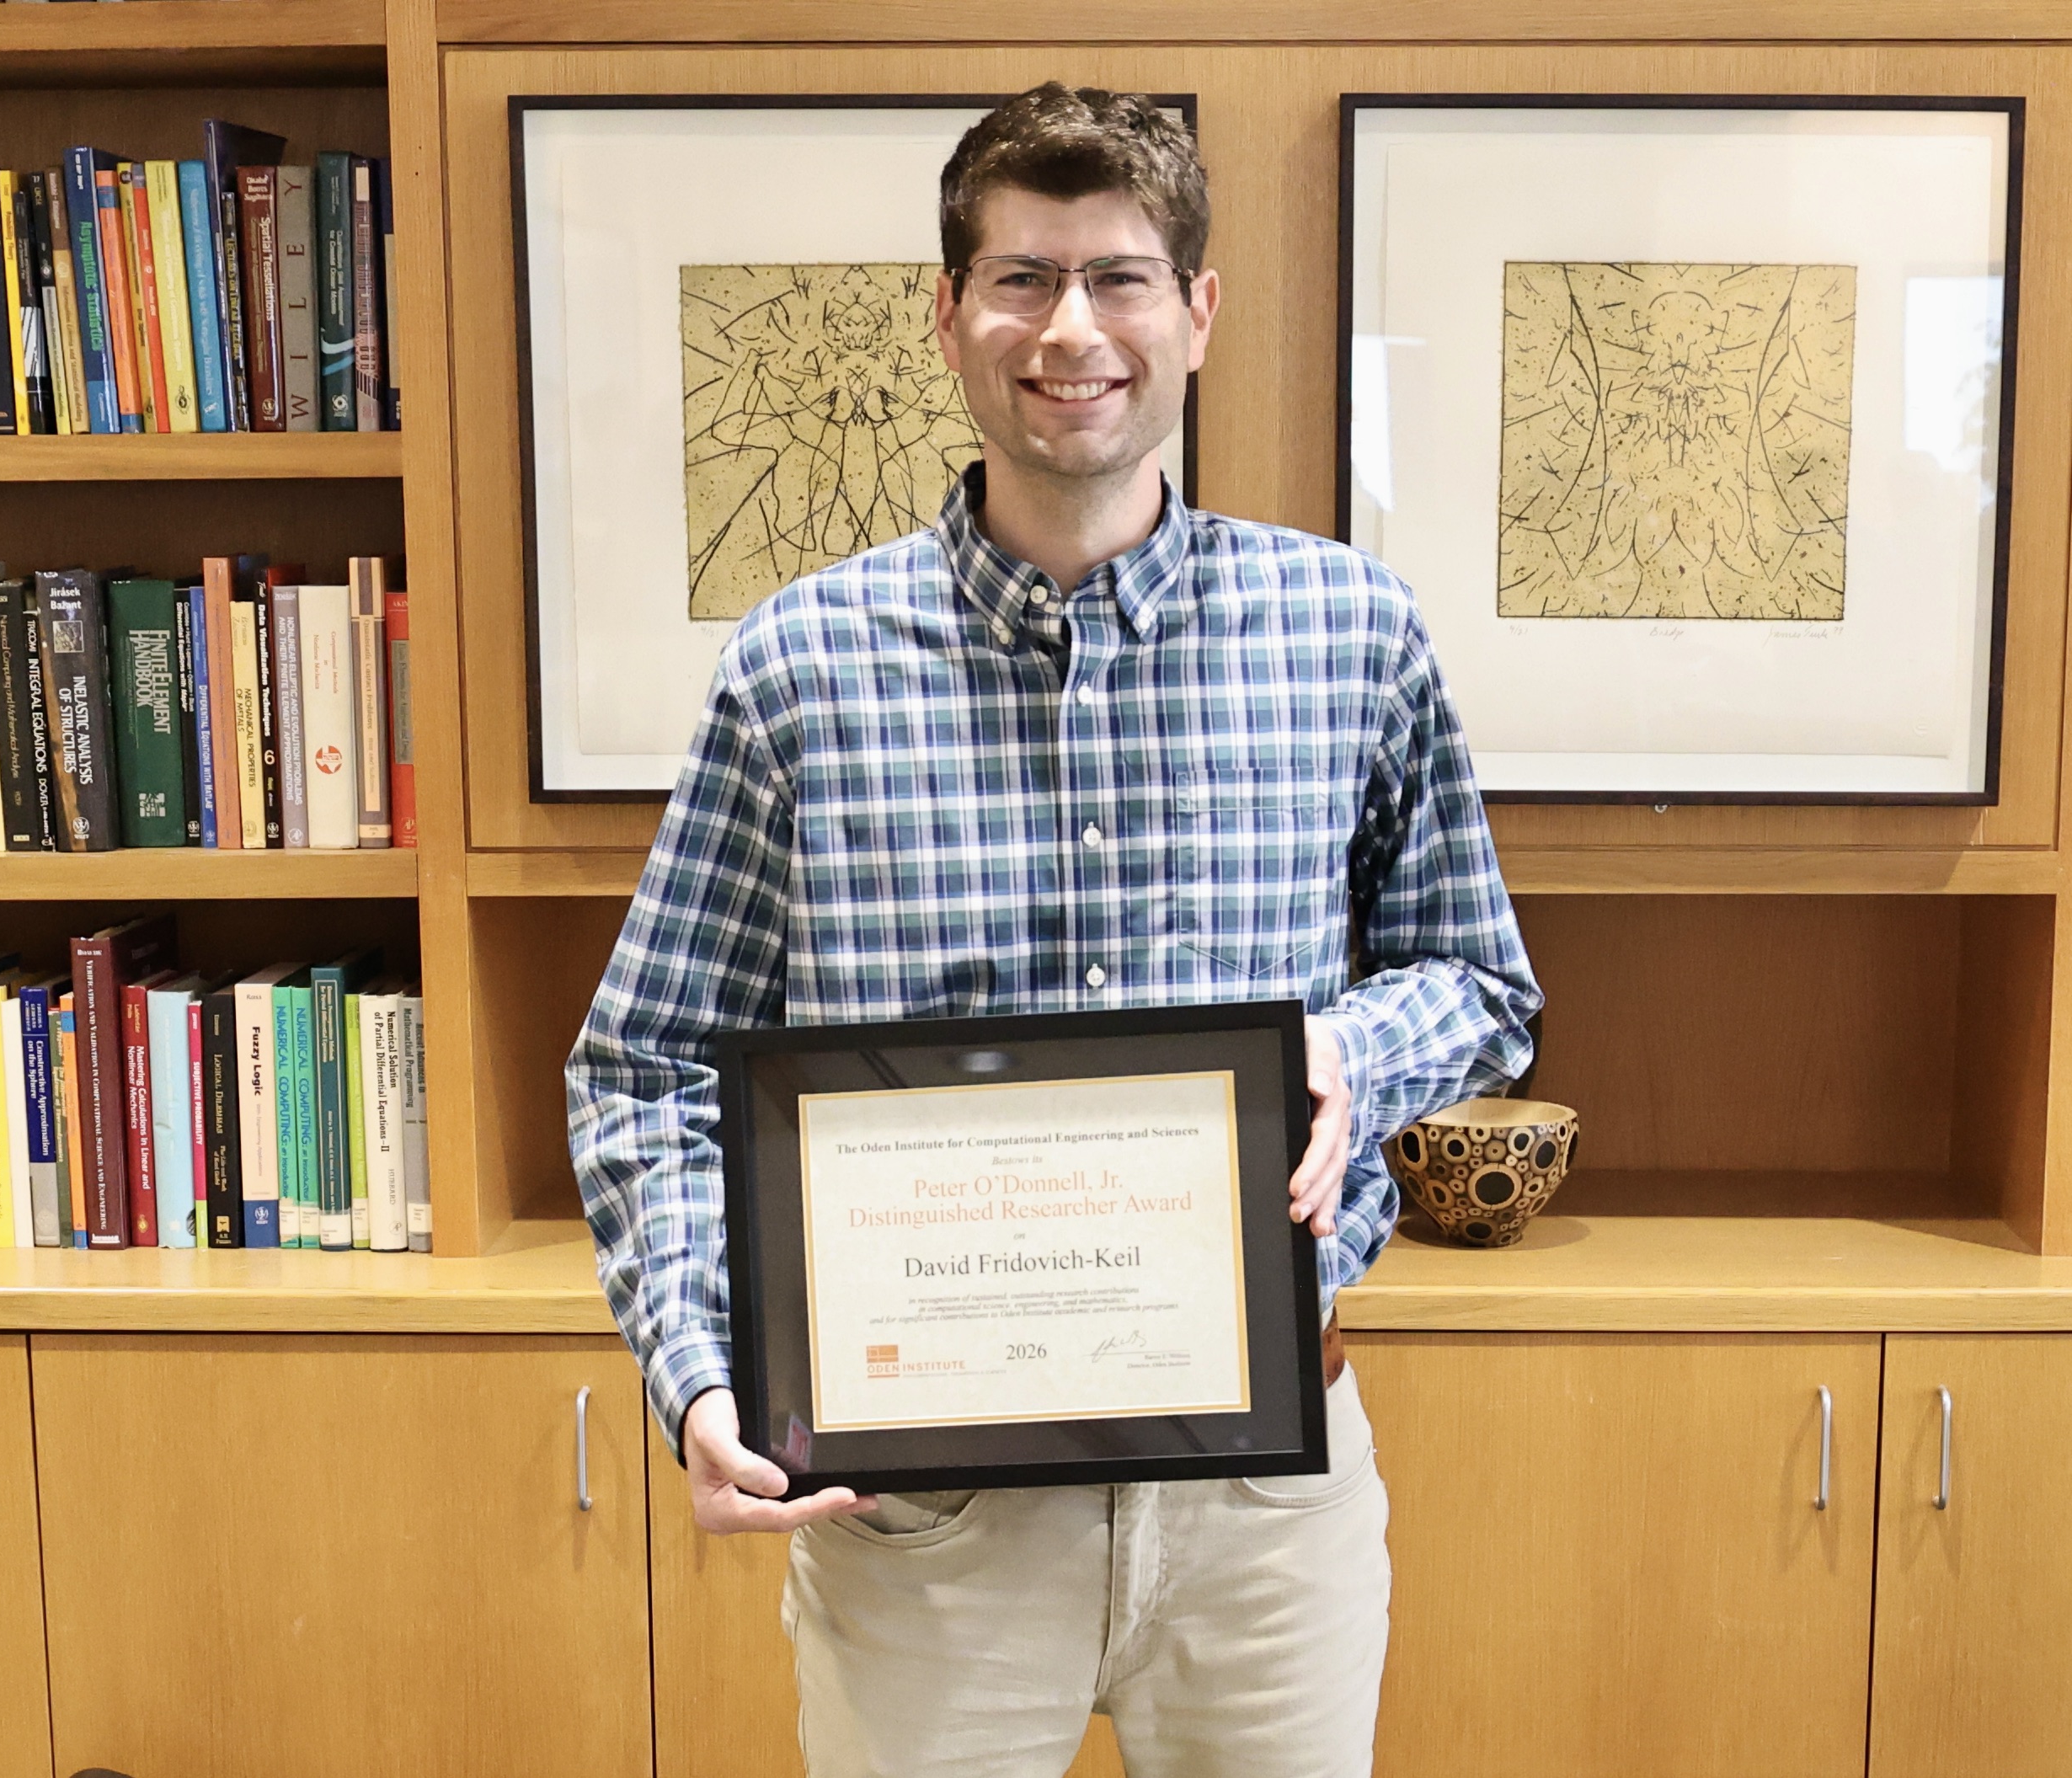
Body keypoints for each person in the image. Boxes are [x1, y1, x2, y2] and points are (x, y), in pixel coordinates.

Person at [567, 82, 1541, 1778]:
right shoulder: (801, 667)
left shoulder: (1350, 629)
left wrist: (1344, 1050)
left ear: (1197, 314)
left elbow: (1482, 985)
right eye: (1020, 278)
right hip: (923, 1521)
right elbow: (646, 1064)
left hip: (1264, 1511)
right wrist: (700, 1374)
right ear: (947, 317)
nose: (1070, 328)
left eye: (1120, 278)